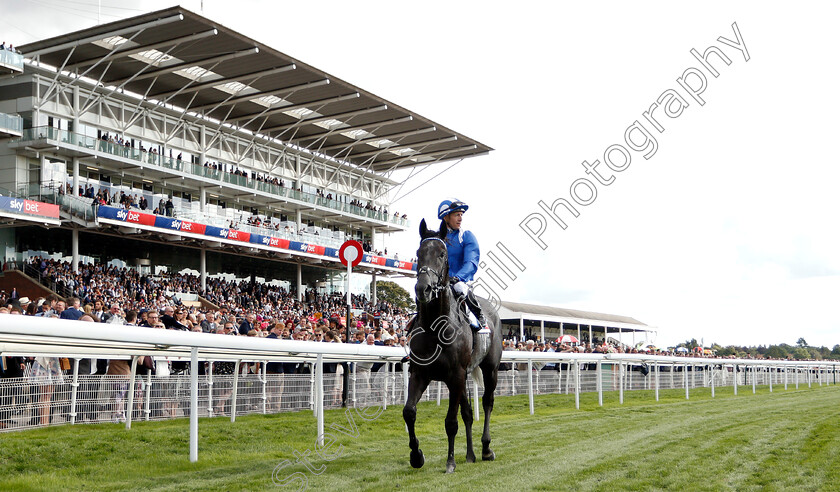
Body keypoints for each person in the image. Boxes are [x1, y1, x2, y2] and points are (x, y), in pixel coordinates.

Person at [437, 198, 489, 333]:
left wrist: (458, 277)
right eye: (456, 215)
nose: (460, 218)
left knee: (460, 287)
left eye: (461, 215)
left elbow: (471, 262)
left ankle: (480, 319)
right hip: (439, 283)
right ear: (446, 217)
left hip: (459, 281)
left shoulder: (466, 236)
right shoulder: (436, 239)